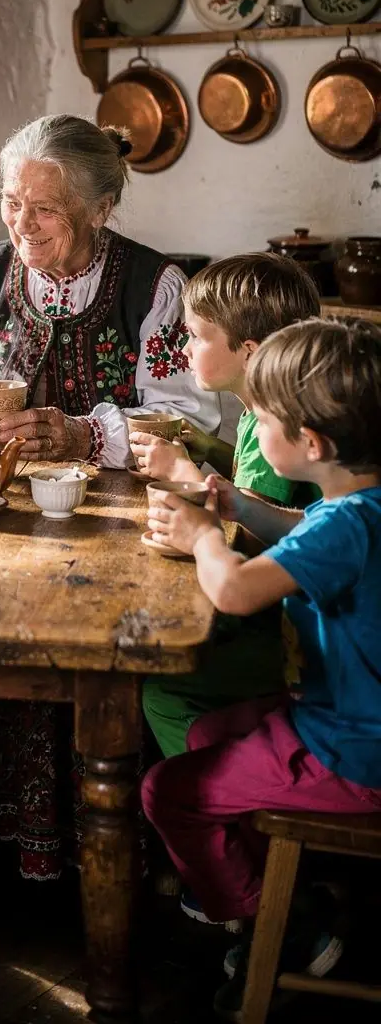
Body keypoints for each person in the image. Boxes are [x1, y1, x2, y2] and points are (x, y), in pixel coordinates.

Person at [0, 113, 219, 877]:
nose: (22, 225)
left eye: (45, 208)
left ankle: (97, 847)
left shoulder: (153, 285)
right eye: (11, 202)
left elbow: (196, 421)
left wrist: (84, 436)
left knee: (93, 664)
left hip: (115, 533)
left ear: (100, 209)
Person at [143, 318, 381, 1018]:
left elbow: (236, 589)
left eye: (263, 415)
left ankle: (276, 926)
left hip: (355, 752)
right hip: (349, 720)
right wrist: (238, 504)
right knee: (207, 735)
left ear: (311, 444)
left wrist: (204, 537)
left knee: (169, 792)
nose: (255, 419)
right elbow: (304, 533)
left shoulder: (345, 525)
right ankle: (280, 884)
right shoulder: (360, 503)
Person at [129, 254, 321, 763]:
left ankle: (223, 792)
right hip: (296, 618)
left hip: (285, 636)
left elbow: (253, 541)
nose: (187, 348)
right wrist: (199, 446)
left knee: (161, 688)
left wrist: (185, 476)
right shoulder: (282, 414)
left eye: (197, 335)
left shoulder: (273, 429)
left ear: (250, 352)